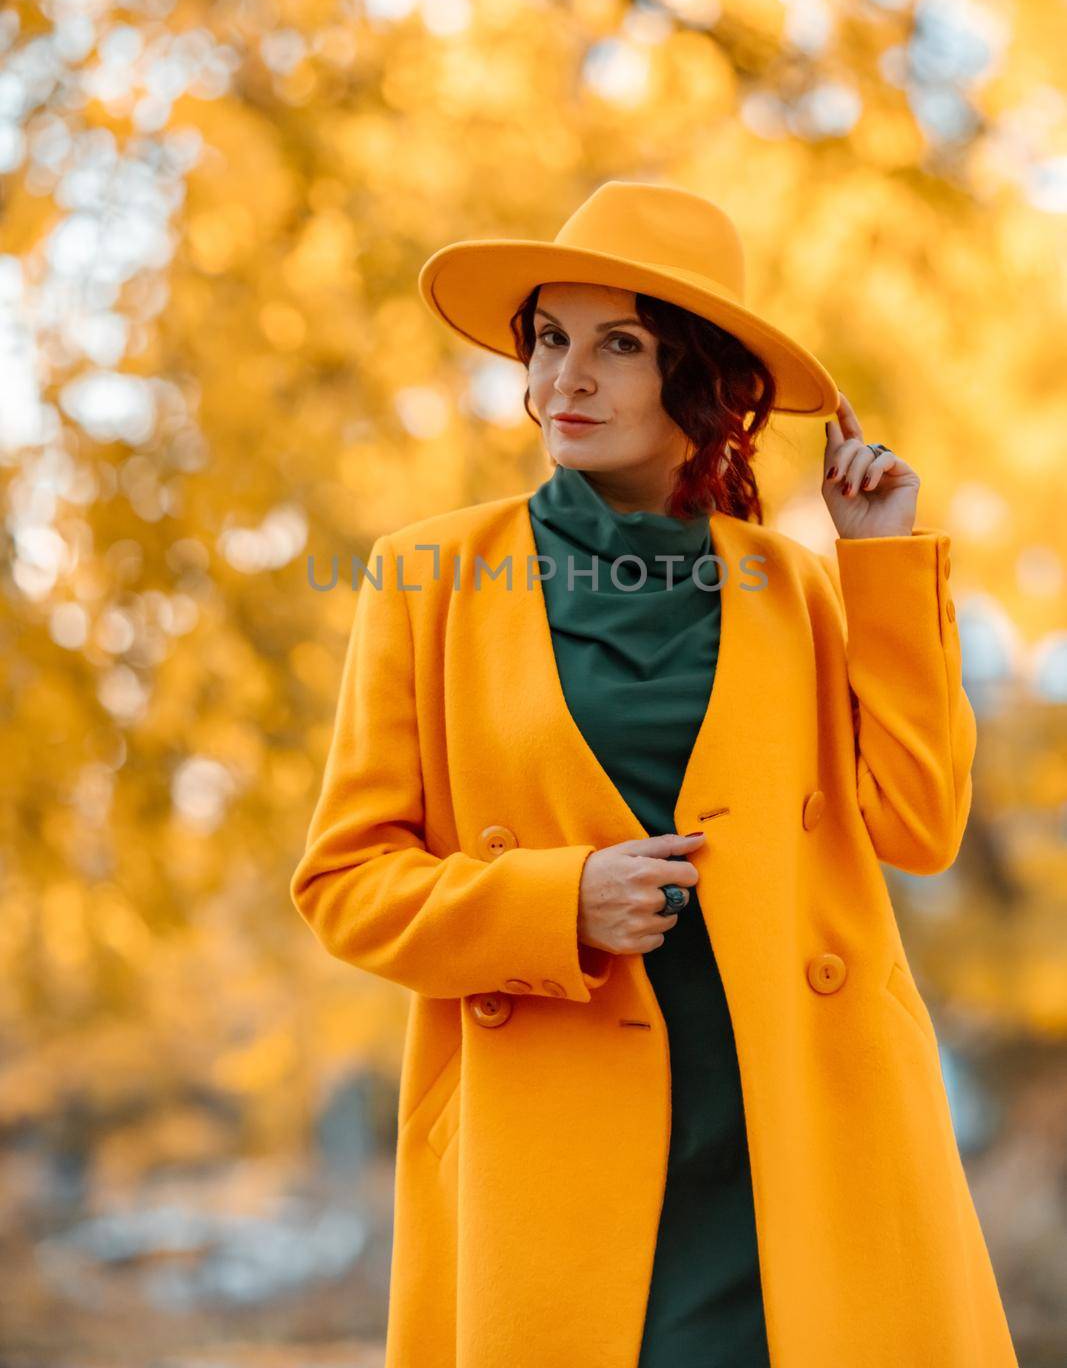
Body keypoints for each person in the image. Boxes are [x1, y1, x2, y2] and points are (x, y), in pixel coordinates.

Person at [291, 181, 1019, 1368]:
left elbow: (919, 823)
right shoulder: (422, 576)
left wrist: (878, 566)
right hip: (553, 1149)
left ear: (702, 383)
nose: (562, 378)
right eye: (549, 338)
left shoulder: (792, 588)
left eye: (616, 344)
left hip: (794, 1135)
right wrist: (555, 901)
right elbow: (343, 881)